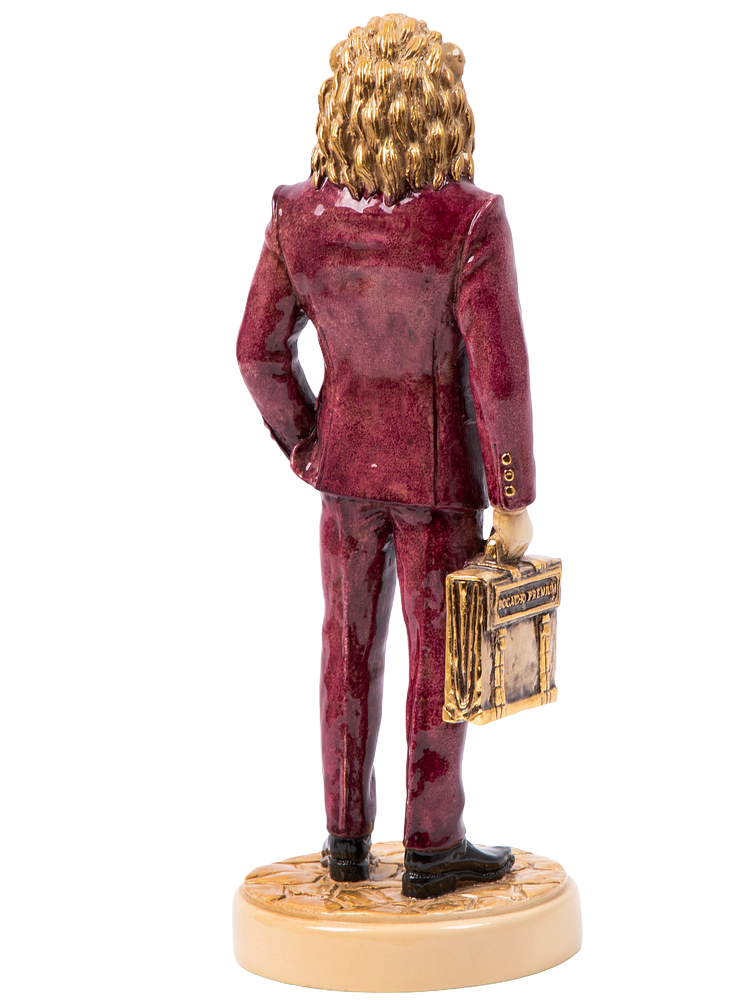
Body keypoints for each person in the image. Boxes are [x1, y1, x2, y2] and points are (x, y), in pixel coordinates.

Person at [236, 13, 537, 899]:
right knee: (439, 657)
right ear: (440, 105)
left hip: (343, 478)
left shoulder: (298, 214)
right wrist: (513, 497)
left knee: (345, 649)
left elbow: (255, 351)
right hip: (438, 484)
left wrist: (309, 445)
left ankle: (343, 839)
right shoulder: (469, 220)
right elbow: (501, 377)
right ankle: (433, 844)